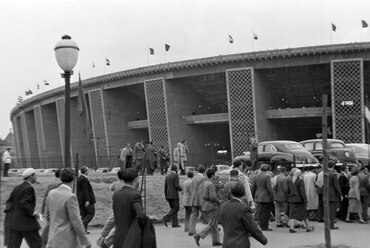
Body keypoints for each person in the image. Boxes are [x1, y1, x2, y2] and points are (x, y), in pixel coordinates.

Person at [45, 168, 91, 248]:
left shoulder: (51, 193)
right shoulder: (71, 197)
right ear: (74, 179)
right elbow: (76, 221)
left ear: (60, 178)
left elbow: (48, 216)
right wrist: (85, 241)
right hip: (67, 241)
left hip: (53, 239)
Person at [220, 181, 268, 248]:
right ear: (244, 193)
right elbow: (252, 228)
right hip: (240, 244)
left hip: (226, 243)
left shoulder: (223, 206)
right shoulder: (243, 208)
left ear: (231, 192)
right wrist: (263, 239)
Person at [5, 168, 42, 248]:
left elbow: (9, 202)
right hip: (27, 223)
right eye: (35, 175)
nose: (36, 177)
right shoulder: (29, 188)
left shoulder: (17, 188)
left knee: (13, 246)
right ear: (30, 176)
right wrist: (34, 213)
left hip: (15, 223)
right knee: (37, 245)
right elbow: (23, 203)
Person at [112, 168, 146, 247]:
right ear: (136, 179)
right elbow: (140, 215)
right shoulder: (135, 195)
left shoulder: (116, 195)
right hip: (131, 238)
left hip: (118, 237)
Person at [193, 168, 222, 247]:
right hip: (211, 206)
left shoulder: (205, 183)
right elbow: (213, 197)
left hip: (205, 204)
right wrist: (219, 201)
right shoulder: (210, 184)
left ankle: (216, 241)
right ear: (213, 175)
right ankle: (198, 235)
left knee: (214, 224)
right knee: (212, 223)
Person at [97, 169, 125, 248]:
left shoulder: (115, 184)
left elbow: (111, 187)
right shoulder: (126, 186)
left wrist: (103, 234)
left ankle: (106, 242)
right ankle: (107, 243)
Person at [287, 168, 314, 233]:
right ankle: (308, 228)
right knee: (304, 214)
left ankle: (292, 228)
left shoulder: (289, 180)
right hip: (300, 200)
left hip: (292, 199)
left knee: (292, 214)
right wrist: (306, 201)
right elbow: (302, 192)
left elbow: (287, 190)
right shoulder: (300, 181)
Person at [41, 169, 61, 247]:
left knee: (50, 226)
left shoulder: (50, 184)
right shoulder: (61, 185)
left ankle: (43, 243)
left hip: (49, 210)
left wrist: (43, 211)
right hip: (57, 210)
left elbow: (45, 198)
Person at [251, 164, 274, 231]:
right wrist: (272, 196)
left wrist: (252, 195)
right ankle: (265, 226)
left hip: (259, 196)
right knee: (266, 212)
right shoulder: (267, 176)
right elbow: (269, 187)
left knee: (260, 211)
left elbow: (254, 187)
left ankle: (261, 224)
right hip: (266, 197)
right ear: (267, 169)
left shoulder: (256, 176)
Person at [77, 166, 96, 234]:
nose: (89, 171)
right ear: (86, 171)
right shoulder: (84, 179)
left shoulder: (79, 178)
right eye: (88, 170)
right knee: (91, 213)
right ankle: (81, 225)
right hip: (86, 200)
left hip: (81, 199)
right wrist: (87, 200)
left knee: (84, 214)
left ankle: (83, 230)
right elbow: (85, 190)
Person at [188, 166, 207, 236]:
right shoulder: (203, 179)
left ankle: (191, 230)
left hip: (193, 199)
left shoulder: (194, 178)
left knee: (193, 215)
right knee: (206, 214)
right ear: (204, 172)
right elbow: (202, 190)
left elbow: (191, 189)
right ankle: (210, 229)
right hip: (200, 199)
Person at [327, 161, 343, 229]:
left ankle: (327, 224)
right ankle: (331, 225)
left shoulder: (324, 173)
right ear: (333, 166)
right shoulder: (333, 174)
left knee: (327, 210)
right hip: (332, 194)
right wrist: (340, 195)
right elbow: (336, 186)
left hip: (325, 193)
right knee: (332, 210)